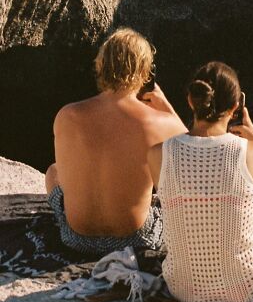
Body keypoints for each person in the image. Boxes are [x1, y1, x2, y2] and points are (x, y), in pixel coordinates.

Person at [148, 61, 253, 302]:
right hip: (250, 290)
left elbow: (195, 152)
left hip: (183, 290)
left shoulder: (158, 153)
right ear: (236, 107)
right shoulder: (252, 153)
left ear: (192, 101)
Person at [45, 28, 187, 255]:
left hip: (76, 237)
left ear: (101, 65)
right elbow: (197, 153)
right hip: (135, 238)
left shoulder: (66, 115)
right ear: (144, 71)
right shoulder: (160, 123)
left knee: (53, 171)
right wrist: (167, 109)